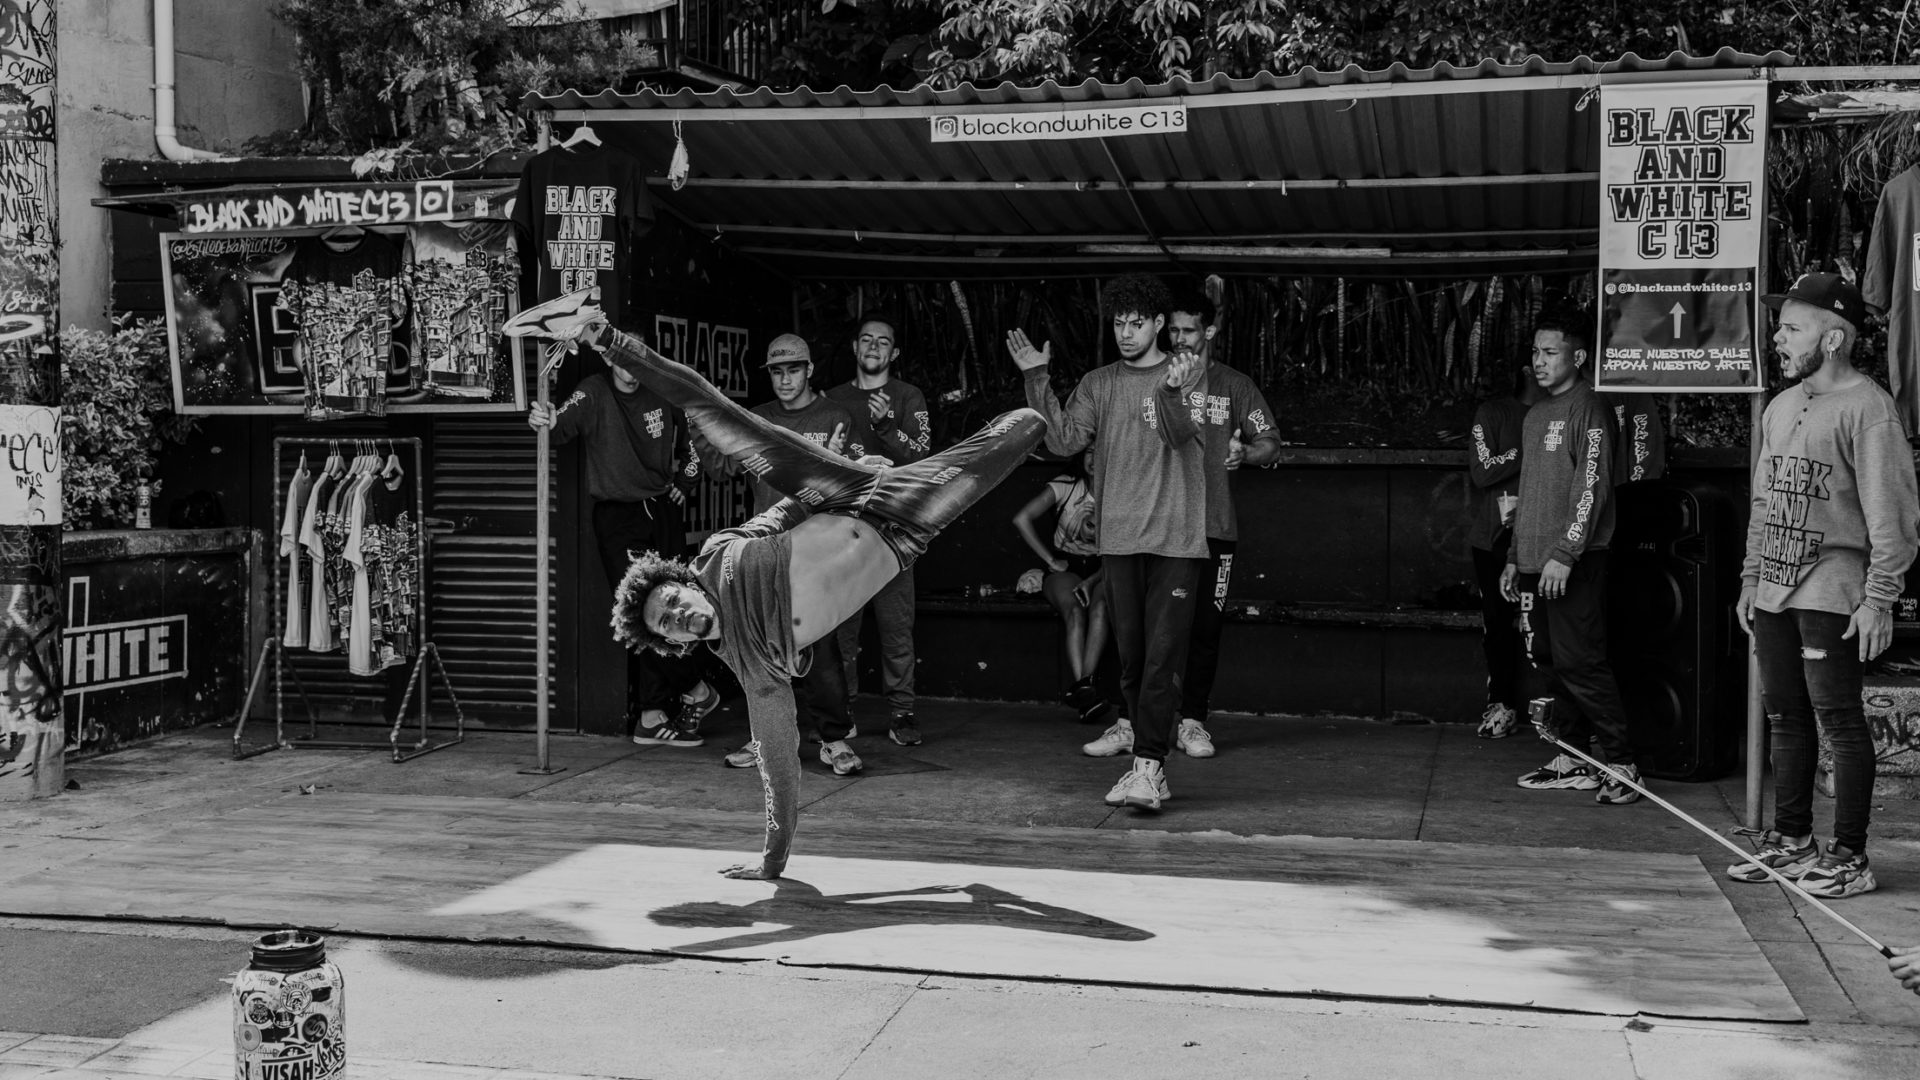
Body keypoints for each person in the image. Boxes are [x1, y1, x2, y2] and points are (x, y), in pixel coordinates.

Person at [503, 288, 1047, 880]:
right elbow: (779, 766)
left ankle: (597, 332)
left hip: (850, 492)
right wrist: (772, 861)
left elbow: (780, 514)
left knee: (722, 415)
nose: (679, 613)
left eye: (672, 600)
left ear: (679, 580)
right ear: (676, 645)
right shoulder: (754, 667)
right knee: (1027, 427)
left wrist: (838, 478)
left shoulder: (714, 555)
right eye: (668, 623)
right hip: (905, 531)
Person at [1731, 273, 1920, 900]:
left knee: (1838, 720)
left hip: (1833, 587)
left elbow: (1891, 513)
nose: (1777, 338)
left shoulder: (1869, 409)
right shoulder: (1782, 407)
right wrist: (1751, 579)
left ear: (1833, 338)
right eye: (1779, 326)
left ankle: (1850, 857)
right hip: (1774, 589)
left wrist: (1879, 598)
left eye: (1792, 327)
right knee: (1784, 716)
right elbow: (1763, 501)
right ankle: (1792, 842)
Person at [1007, 273, 1204, 813]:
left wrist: (1167, 391)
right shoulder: (1098, 383)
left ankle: (1148, 766)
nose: (1125, 331)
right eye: (1118, 322)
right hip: (1118, 541)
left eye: (1136, 322)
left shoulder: (1188, 371)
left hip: (1175, 539)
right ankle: (1150, 768)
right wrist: (1037, 379)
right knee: (1134, 659)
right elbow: (1063, 439)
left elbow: (1181, 434)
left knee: (1163, 657)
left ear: (1159, 324)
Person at [527, 346, 718, 747]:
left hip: (661, 510)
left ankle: (652, 714)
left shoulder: (664, 392)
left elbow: (694, 448)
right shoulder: (593, 392)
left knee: (674, 605)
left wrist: (684, 484)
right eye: (620, 360)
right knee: (641, 611)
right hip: (617, 516)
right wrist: (543, 419)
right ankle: (695, 688)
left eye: (637, 360)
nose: (629, 370)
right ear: (608, 359)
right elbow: (560, 427)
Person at [1499, 310, 1642, 805]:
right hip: (1536, 562)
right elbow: (1528, 491)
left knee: (1582, 661)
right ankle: (1574, 757)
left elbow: (1592, 486)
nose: (1538, 362)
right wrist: (1516, 556)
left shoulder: (1590, 407)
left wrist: (1565, 552)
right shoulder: (1536, 414)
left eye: (1550, 352)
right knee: (1552, 662)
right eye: (1535, 352)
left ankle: (1623, 763)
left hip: (1576, 560)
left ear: (1577, 357)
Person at [709, 334, 865, 777]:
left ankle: (833, 740)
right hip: (765, 554)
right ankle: (766, 740)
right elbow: (720, 469)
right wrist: (705, 426)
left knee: (820, 648)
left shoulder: (835, 415)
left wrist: (836, 466)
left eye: (793, 369)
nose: (784, 379)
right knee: (761, 652)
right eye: (777, 371)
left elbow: (857, 484)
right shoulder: (756, 419)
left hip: (818, 550)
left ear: (810, 370)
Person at [1163, 286, 1282, 757]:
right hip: (1159, 526)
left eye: (1188, 329)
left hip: (1214, 526)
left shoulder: (1234, 384)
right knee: (1155, 630)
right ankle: (1133, 720)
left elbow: (1271, 443)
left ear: (1209, 331)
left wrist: (1246, 452)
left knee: (1205, 630)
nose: (1178, 338)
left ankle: (1192, 721)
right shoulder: (1152, 378)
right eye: (1171, 328)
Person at [824, 314, 932, 747]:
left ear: (895, 352)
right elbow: (815, 464)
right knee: (840, 629)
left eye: (883, 342)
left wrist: (887, 426)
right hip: (841, 534)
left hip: (894, 535)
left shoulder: (909, 396)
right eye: (866, 340)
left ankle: (903, 714)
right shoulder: (830, 399)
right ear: (854, 348)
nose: (873, 347)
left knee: (896, 628)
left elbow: (924, 460)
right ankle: (841, 712)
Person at [1467, 359, 1545, 738]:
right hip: (1494, 540)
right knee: (1498, 625)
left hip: (1545, 538)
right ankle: (1501, 705)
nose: (1543, 362)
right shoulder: (1494, 412)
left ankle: (1565, 713)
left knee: (1548, 627)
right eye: (1536, 354)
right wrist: (1523, 450)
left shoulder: (1566, 411)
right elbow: (1482, 471)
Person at [1011, 457, 1112, 723]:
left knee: (1101, 609)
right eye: (1089, 452)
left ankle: (1083, 690)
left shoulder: (1119, 489)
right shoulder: (1067, 486)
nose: (1093, 459)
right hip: (1066, 567)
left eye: (1098, 451)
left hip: (1106, 569)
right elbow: (1021, 518)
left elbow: (1127, 546)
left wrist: (1091, 582)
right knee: (1075, 612)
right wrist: (1050, 560)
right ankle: (1086, 689)